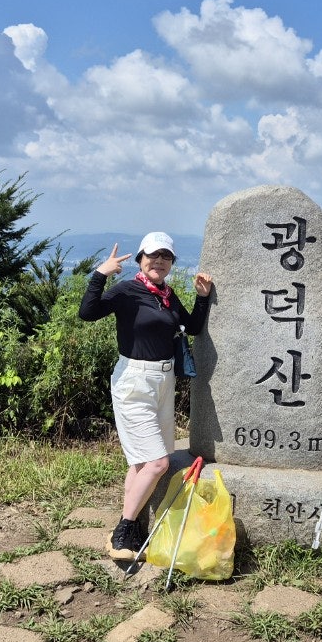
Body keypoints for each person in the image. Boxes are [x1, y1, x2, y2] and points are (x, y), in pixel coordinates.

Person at [78, 231, 214, 562]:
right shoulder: (127, 290)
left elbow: (192, 328)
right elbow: (87, 312)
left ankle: (134, 524)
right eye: (153, 255)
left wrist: (202, 296)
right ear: (140, 258)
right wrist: (100, 274)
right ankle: (123, 531)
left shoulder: (166, 295)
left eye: (166, 256)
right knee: (157, 463)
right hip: (134, 381)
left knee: (141, 461)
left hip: (164, 381)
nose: (159, 261)